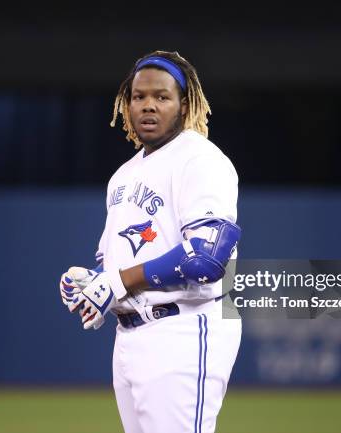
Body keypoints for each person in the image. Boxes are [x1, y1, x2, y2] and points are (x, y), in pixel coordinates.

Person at [60, 50, 241, 433]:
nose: (148, 106)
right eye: (139, 97)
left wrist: (118, 281)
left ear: (185, 103)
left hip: (183, 332)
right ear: (126, 104)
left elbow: (207, 259)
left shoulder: (199, 160)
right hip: (129, 340)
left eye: (162, 97)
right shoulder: (123, 176)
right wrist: (92, 282)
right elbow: (112, 263)